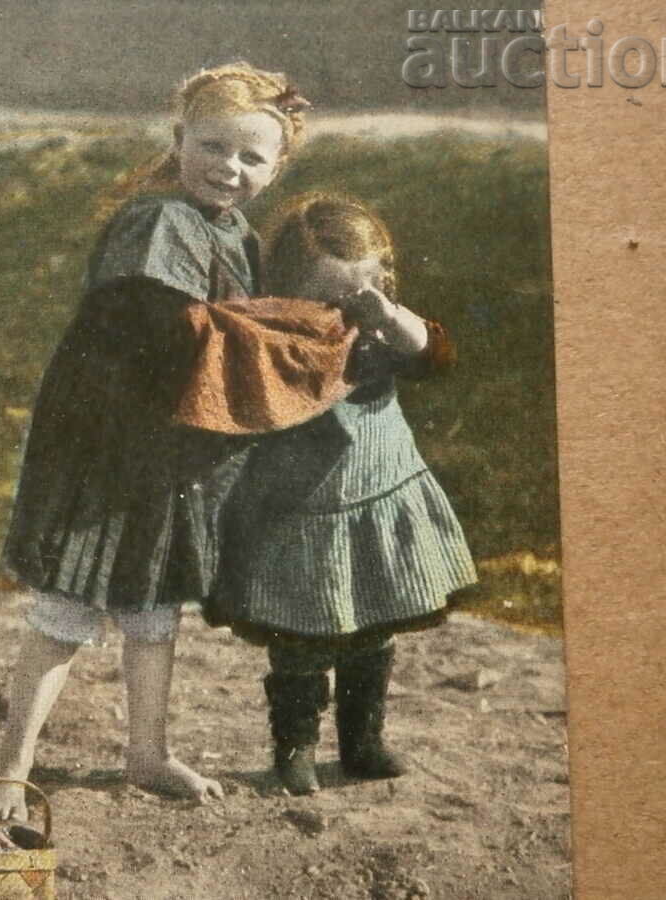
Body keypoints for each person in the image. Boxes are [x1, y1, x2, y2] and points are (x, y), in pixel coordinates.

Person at [0, 62, 309, 821]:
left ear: (275, 166)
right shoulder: (159, 222)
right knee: (68, 609)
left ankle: (148, 751)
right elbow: (168, 332)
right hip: (106, 449)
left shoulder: (239, 236)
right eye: (213, 145)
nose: (229, 167)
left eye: (251, 157)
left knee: (154, 610)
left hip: (168, 456)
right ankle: (10, 763)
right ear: (180, 139)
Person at [205, 193, 478, 794]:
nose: (343, 309)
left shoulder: (380, 329)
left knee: (374, 630)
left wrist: (385, 313)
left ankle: (363, 741)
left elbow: (436, 356)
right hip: (301, 514)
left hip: (375, 498)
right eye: (328, 297)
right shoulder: (275, 336)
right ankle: (295, 744)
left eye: (361, 290)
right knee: (300, 641)